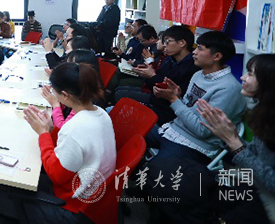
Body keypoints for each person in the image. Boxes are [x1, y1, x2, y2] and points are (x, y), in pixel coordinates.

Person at [0, 62, 116, 223]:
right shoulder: (101, 114)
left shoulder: (75, 127)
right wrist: (51, 130)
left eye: (54, 91)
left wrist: (43, 134)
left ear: (65, 96)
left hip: (72, 208)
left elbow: (56, 175)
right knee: (8, 181)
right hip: (88, 194)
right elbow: (73, 149)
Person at [146, 30, 246, 163]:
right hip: (172, 130)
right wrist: (177, 96)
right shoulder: (198, 75)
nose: (194, 52)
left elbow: (202, 130)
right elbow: (189, 109)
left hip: (193, 145)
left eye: (200, 48)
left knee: (153, 170)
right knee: (127, 130)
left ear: (217, 56)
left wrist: (174, 100)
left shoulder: (229, 88)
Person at [198, 54, 275, 223]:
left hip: (265, 196)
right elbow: (255, 153)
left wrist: (235, 144)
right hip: (253, 181)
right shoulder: (263, 112)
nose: (243, 77)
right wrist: (228, 137)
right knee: (199, 190)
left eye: (250, 74)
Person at [114, 25, 200, 125]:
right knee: (119, 92)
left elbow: (167, 89)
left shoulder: (192, 67)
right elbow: (155, 82)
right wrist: (148, 74)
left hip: (165, 108)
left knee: (120, 95)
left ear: (182, 43)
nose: (164, 45)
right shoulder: (169, 59)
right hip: (155, 97)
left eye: (167, 41)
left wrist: (152, 76)